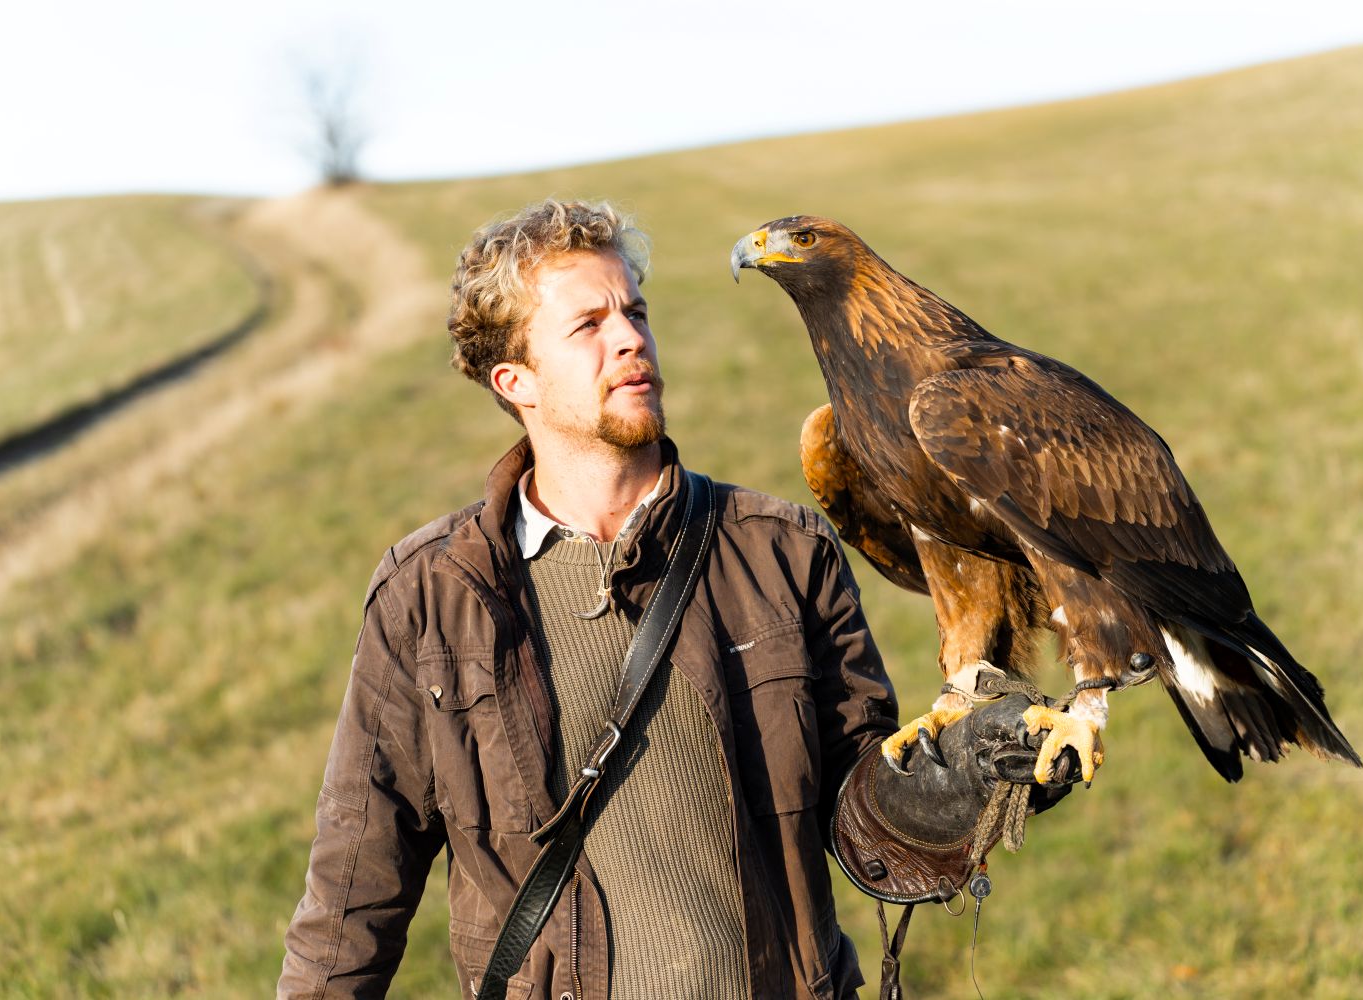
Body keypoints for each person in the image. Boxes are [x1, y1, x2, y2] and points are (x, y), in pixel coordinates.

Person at [278, 199, 1069, 1000]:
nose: (629, 338)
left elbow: (863, 821)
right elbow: (352, 899)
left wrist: (956, 787)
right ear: (515, 380)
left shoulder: (780, 550)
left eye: (636, 312)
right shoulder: (431, 598)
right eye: (587, 326)